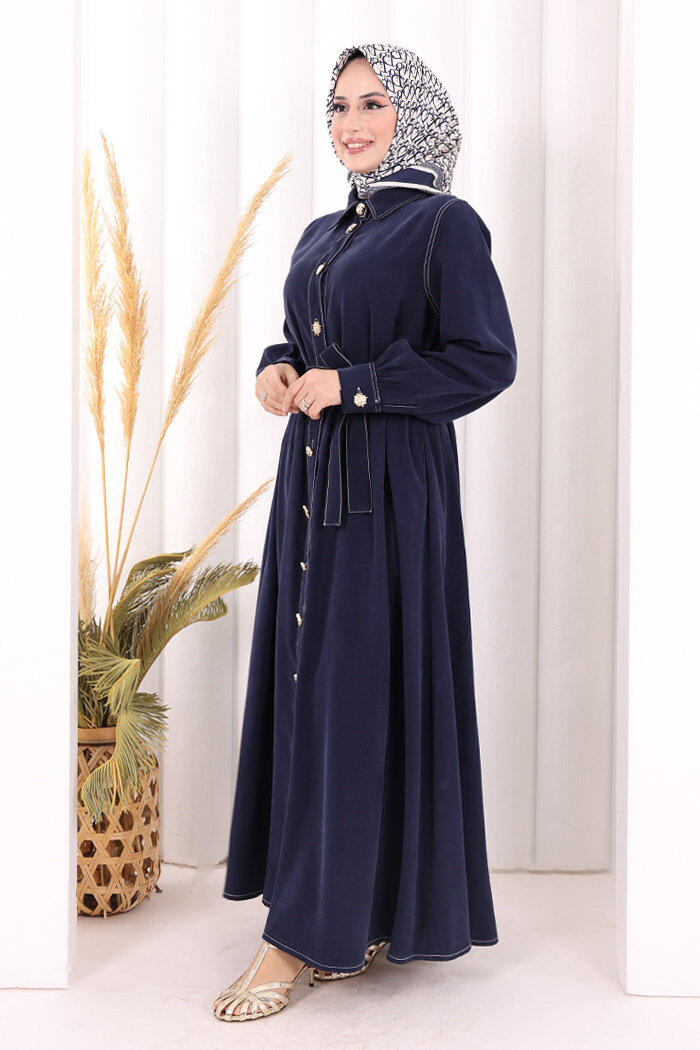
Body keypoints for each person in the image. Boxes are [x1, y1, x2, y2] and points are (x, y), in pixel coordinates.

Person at [213, 42, 518, 1022]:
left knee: (355, 690)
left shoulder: (442, 224)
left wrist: (357, 386)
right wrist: (276, 367)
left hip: (390, 489)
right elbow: (309, 337)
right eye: (340, 106)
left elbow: (485, 360)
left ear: (412, 115)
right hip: (313, 483)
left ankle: (299, 937)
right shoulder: (324, 230)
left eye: (373, 103)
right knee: (316, 690)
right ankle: (347, 909)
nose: (350, 123)